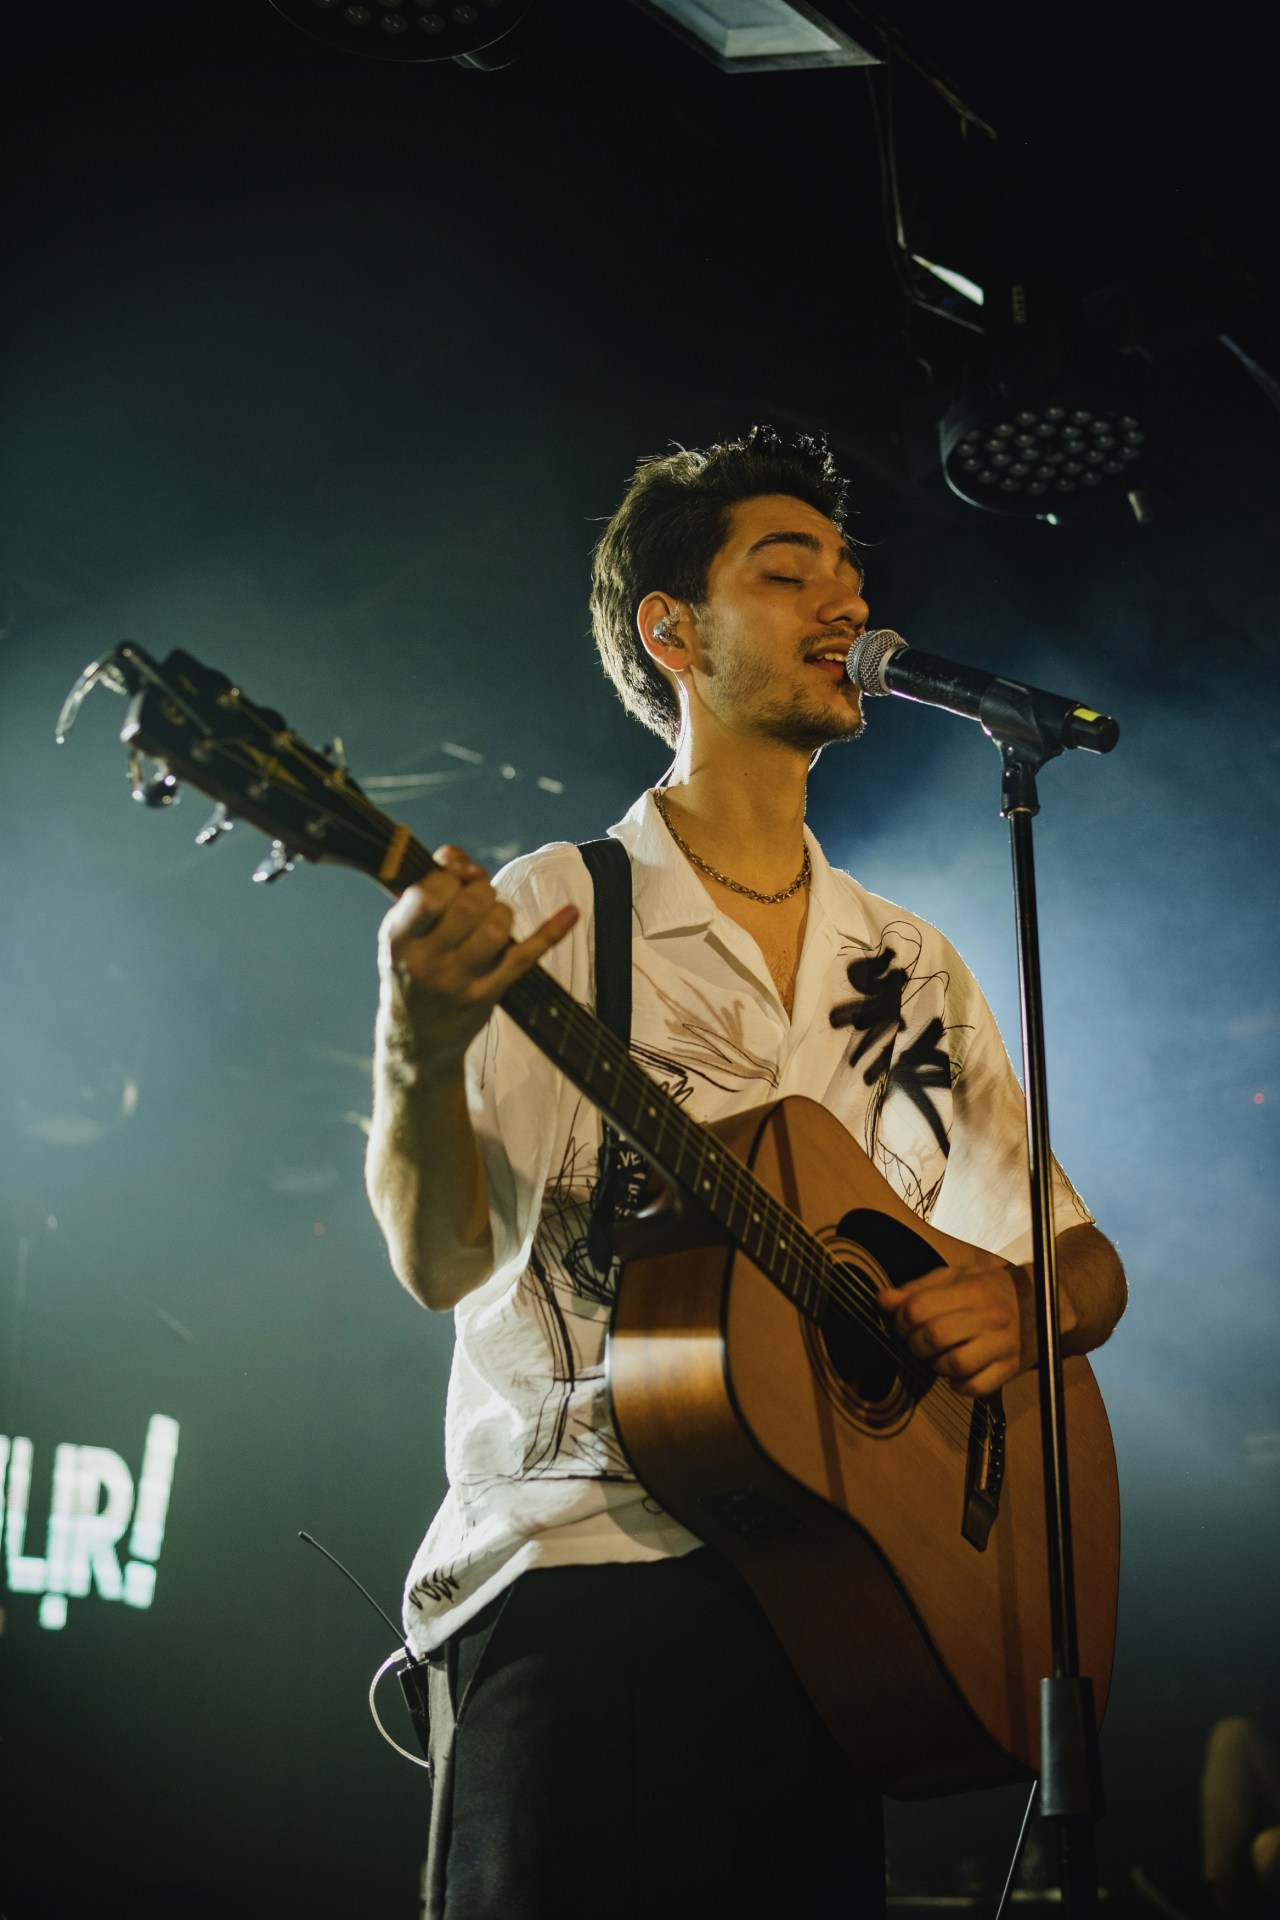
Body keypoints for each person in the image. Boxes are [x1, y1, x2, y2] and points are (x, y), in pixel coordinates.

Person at [365, 426, 1128, 1918]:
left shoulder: (909, 965)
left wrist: (1019, 1301)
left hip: (847, 1614)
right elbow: (446, 1262)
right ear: (674, 633)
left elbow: (1083, 1261)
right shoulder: (559, 908)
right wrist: (418, 1048)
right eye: (789, 572)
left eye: (849, 570)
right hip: (580, 1586)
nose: (846, 601)